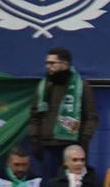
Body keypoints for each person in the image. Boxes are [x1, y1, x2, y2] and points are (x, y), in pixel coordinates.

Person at [29, 46, 96, 178]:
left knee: (72, 184)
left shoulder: (81, 86)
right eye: (47, 63)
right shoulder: (43, 86)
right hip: (47, 145)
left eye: (52, 63)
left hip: (72, 146)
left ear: (65, 64)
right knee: (49, 185)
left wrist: (83, 141)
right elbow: (34, 116)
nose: (48, 66)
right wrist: (35, 140)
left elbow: (91, 117)